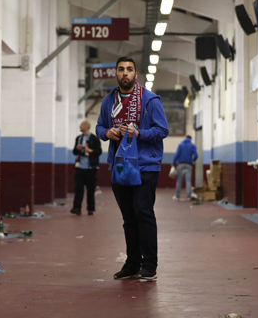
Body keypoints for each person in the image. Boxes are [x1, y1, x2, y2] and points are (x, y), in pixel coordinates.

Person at [96, 56, 169, 281]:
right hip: (120, 165)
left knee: (143, 211)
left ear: (135, 75)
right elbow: (99, 126)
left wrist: (139, 134)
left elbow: (162, 130)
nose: (125, 73)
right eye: (121, 69)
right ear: (116, 74)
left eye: (129, 69)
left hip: (146, 165)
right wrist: (107, 133)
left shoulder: (150, 100)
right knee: (129, 216)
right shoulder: (109, 100)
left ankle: (150, 264)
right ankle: (132, 263)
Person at [71, 120, 102, 216]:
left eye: (81, 125)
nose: (79, 127)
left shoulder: (94, 138)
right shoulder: (78, 138)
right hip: (80, 168)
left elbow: (99, 151)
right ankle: (77, 208)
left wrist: (90, 150)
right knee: (78, 188)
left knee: (90, 189)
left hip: (91, 168)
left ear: (86, 126)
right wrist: (78, 148)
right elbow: (74, 152)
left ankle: (90, 208)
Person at [172, 135, 199, 200]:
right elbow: (196, 156)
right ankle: (188, 196)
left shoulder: (180, 145)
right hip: (188, 165)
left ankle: (177, 196)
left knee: (179, 180)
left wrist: (173, 163)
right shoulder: (192, 146)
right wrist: (192, 160)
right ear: (190, 139)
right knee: (188, 181)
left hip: (180, 164)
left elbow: (177, 155)